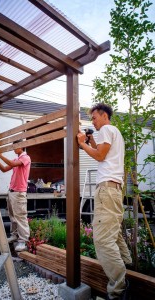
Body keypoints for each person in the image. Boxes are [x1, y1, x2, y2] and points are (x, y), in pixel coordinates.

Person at [77, 103, 132, 300]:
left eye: (93, 118)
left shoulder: (107, 129)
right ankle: (129, 268)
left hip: (107, 190)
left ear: (103, 116)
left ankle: (118, 290)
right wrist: (90, 140)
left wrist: (82, 143)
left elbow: (99, 156)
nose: (92, 121)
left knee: (102, 240)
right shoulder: (113, 132)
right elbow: (101, 154)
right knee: (114, 235)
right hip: (114, 190)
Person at [0, 140, 31, 252]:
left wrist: (0, 155)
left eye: (15, 146)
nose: (13, 149)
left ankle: (23, 240)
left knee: (20, 217)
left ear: (21, 147)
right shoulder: (17, 159)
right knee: (13, 216)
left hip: (19, 192)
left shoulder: (25, 157)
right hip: (12, 191)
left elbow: (11, 164)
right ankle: (15, 235)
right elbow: (4, 169)